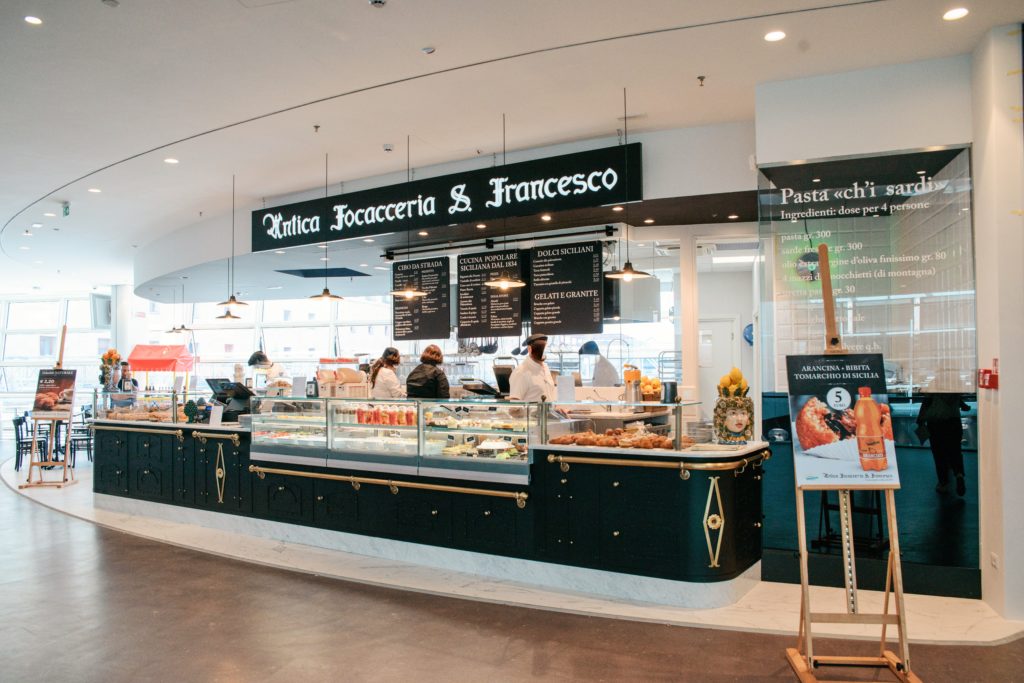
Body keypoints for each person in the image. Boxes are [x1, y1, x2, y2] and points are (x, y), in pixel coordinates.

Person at [917, 391, 970, 496]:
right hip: (954, 422)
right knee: (955, 451)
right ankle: (959, 475)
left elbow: (926, 402)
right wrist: (965, 407)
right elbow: (961, 403)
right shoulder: (954, 386)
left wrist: (920, 419)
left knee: (939, 453)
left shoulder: (933, 386)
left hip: (936, 422)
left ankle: (943, 483)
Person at [509, 333, 556, 403]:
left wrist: (557, 408)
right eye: (540, 349)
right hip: (529, 414)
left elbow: (549, 394)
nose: (543, 352)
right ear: (529, 349)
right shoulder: (521, 372)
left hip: (547, 413)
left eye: (545, 348)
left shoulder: (545, 367)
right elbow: (514, 406)